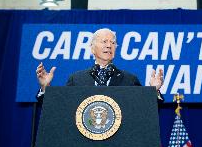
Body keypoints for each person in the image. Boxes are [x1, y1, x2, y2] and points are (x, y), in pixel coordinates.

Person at [35, 28, 164, 101]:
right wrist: (46, 88)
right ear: (92, 48)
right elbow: (59, 107)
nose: (109, 45)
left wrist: (154, 91)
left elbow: (144, 108)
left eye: (113, 43)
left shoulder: (130, 79)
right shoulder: (76, 79)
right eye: (104, 41)